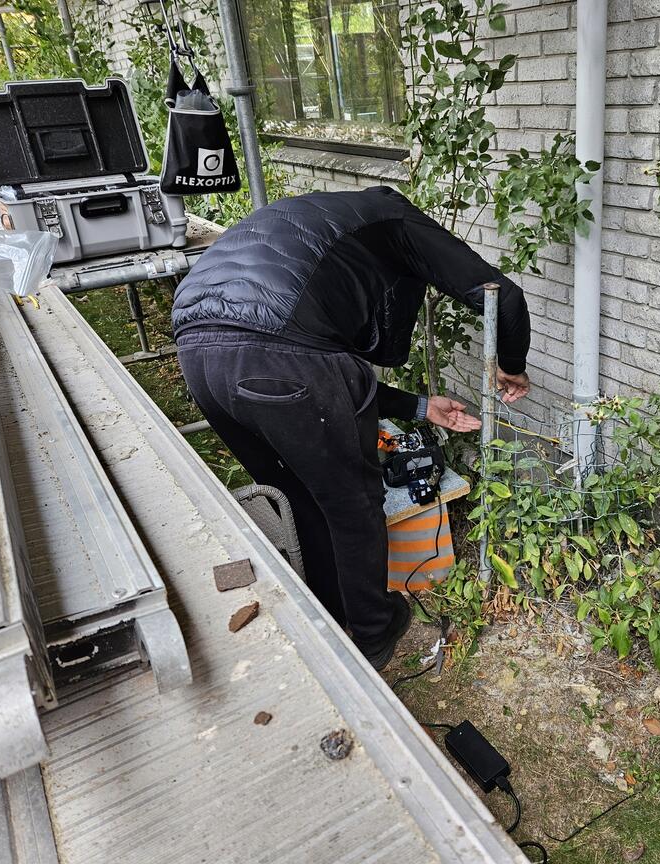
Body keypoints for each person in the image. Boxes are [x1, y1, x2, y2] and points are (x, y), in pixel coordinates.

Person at [172, 186, 531, 669]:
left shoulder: (315, 220)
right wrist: (511, 365)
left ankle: (330, 608)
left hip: (197, 354)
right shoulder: (396, 221)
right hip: (281, 353)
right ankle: (374, 632)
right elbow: (504, 297)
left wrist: (420, 407)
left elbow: (306, 368)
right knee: (352, 502)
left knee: (296, 492)